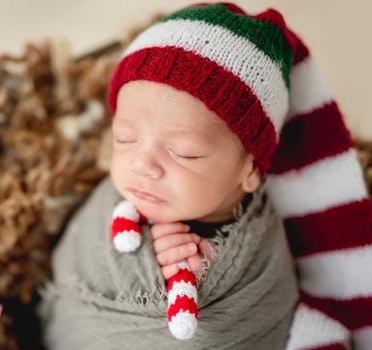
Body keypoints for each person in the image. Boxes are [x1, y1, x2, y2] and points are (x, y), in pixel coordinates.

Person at [39, 2, 372, 349]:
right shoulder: (109, 201)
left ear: (251, 170)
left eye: (184, 152)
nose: (142, 164)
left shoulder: (260, 250)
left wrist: (207, 275)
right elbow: (67, 264)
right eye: (125, 139)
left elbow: (259, 315)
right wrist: (142, 266)